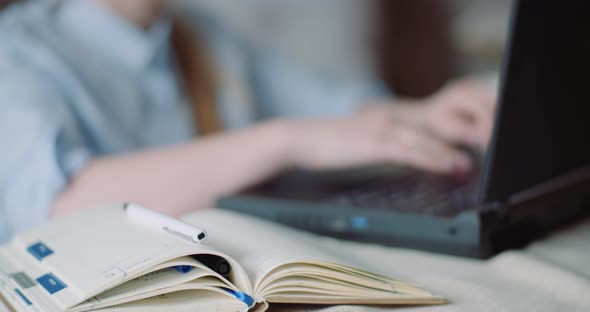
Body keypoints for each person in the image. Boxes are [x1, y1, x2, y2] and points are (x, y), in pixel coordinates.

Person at [0, 0, 495, 243]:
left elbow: (336, 108)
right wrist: (283, 141)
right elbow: (59, 203)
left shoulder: (204, 37)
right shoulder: (17, 52)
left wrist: (424, 113)